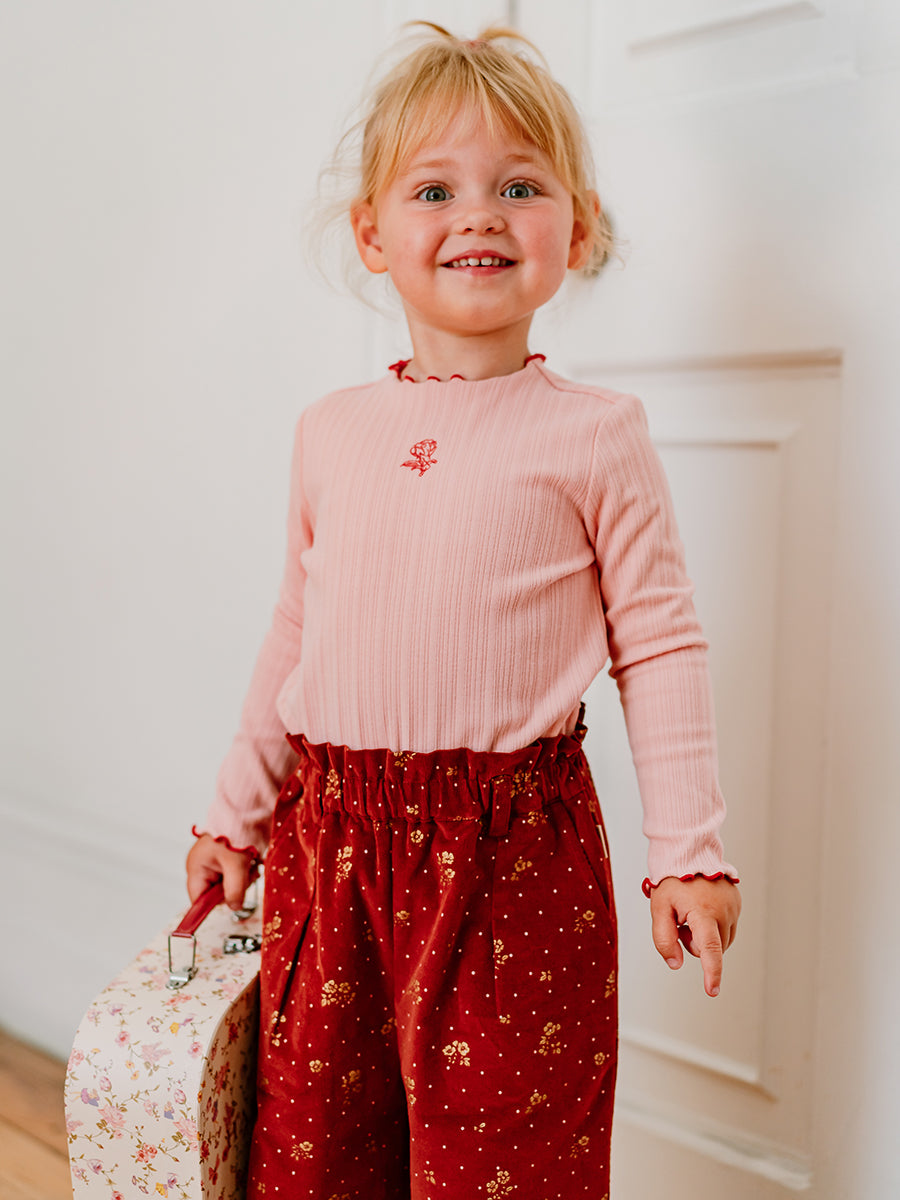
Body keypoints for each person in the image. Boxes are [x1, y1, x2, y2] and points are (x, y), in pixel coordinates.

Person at [186, 23, 740, 1198]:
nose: (480, 214)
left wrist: (688, 851)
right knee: (318, 1152)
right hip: (330, 849)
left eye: (520, 187)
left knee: (504, 1160)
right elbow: (294, 631)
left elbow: (660, 642)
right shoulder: (331, 431)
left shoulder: (596, 435)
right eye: (435, 189)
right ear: (372, 235)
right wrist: (234, 816)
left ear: (575, 231)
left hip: (511, 867)